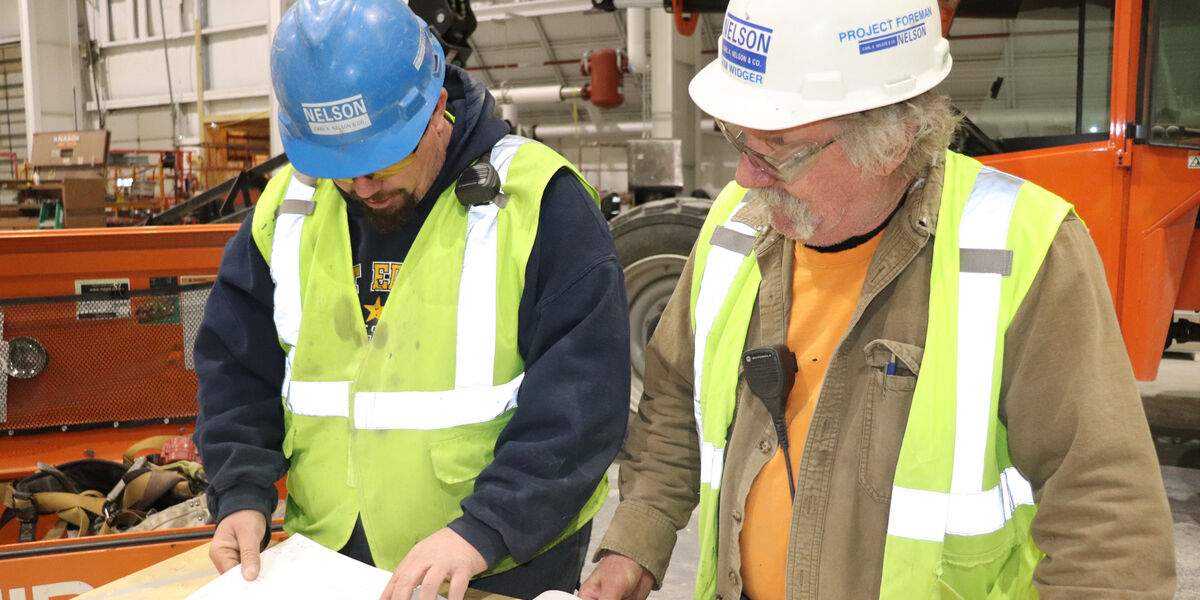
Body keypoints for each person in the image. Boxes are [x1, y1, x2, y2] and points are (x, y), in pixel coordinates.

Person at [579, 0, 1176, 598]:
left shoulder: (1019, 248)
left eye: (778, 148)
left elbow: (1104, 510)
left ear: (893, 141)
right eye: (738, 138)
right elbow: (677, 402)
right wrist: (638, 537)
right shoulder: (735, 230)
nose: (743, 176)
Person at [192, 1, 629, 600]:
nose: (362, 187)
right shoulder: (289, 211)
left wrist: (485, 527)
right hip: (325, 561)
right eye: (339, 168)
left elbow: (583, 402)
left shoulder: (537, 205)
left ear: (437, 112)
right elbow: (238, 368)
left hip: (498, 566)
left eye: (381, 160)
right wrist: (240, 492)